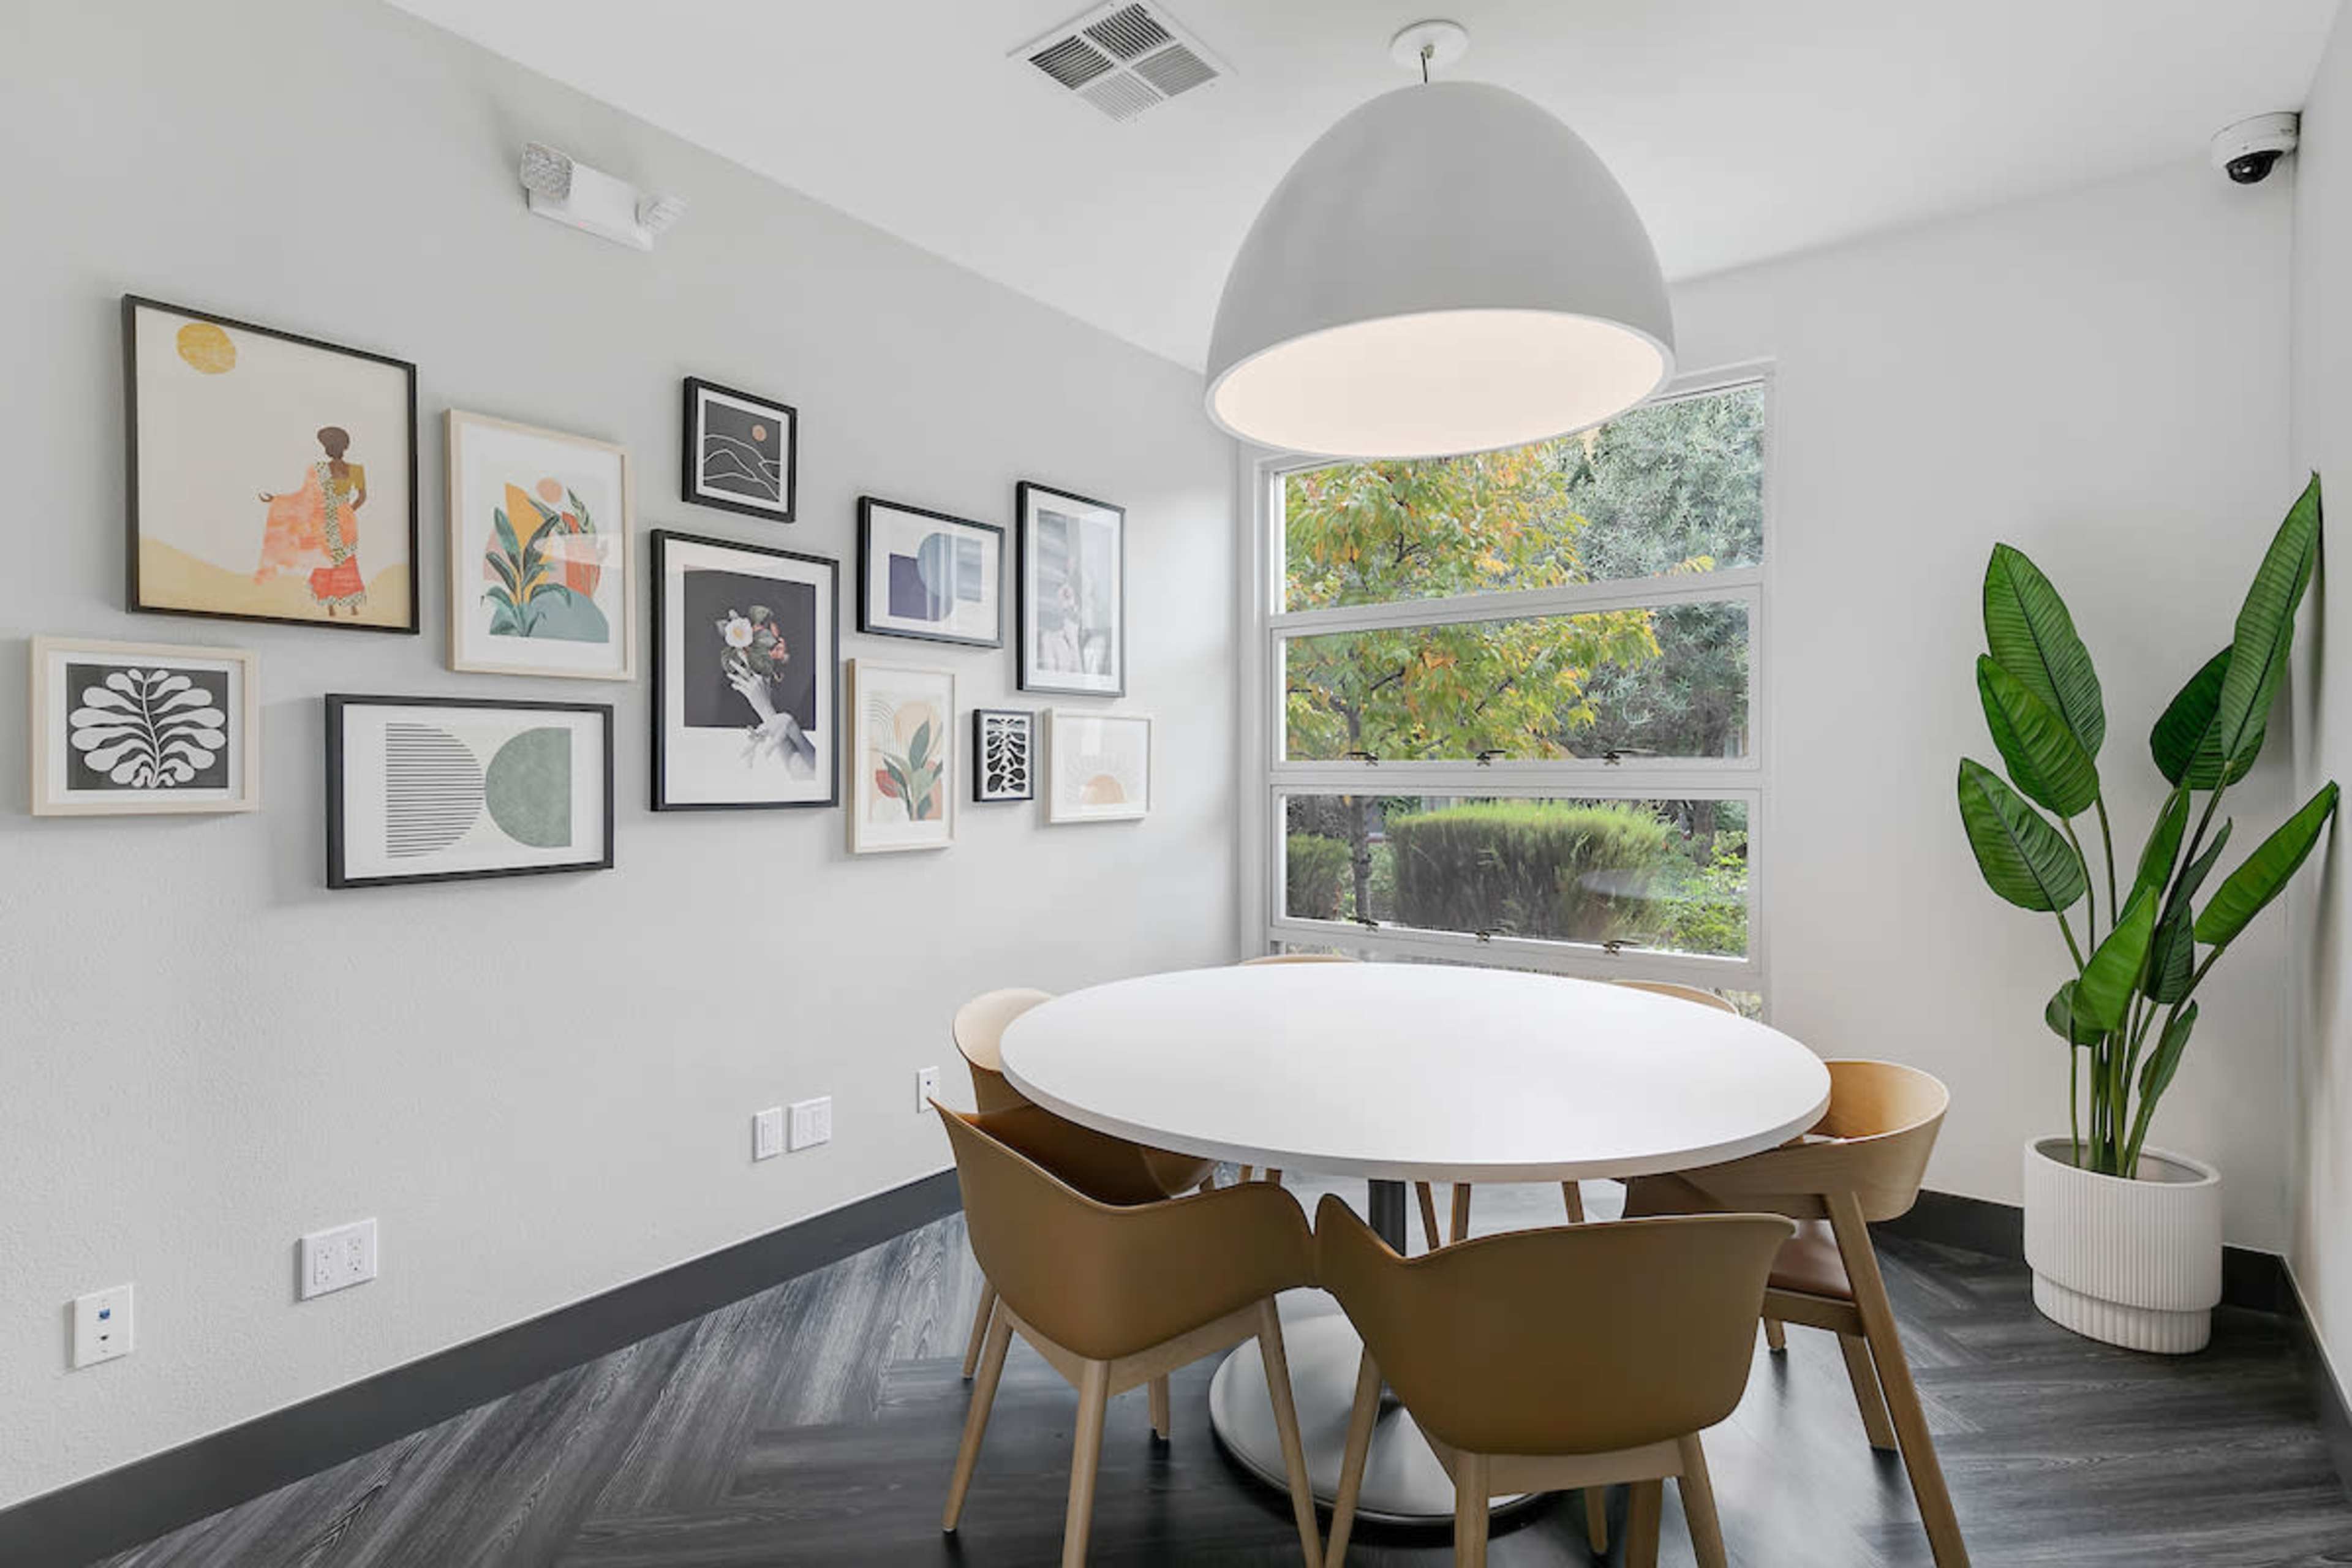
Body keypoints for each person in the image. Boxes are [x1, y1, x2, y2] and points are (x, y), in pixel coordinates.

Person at [255, 426, 368, 615]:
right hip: (345, 523)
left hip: (327, 521)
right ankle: (352, 607)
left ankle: (331, 608)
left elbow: (303, 498)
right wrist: (348, 511)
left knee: (328, 560)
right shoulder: (353, 470)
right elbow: (362, 497)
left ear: (327, 449)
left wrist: (277, 500)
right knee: (344, 562)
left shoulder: (319, 470)